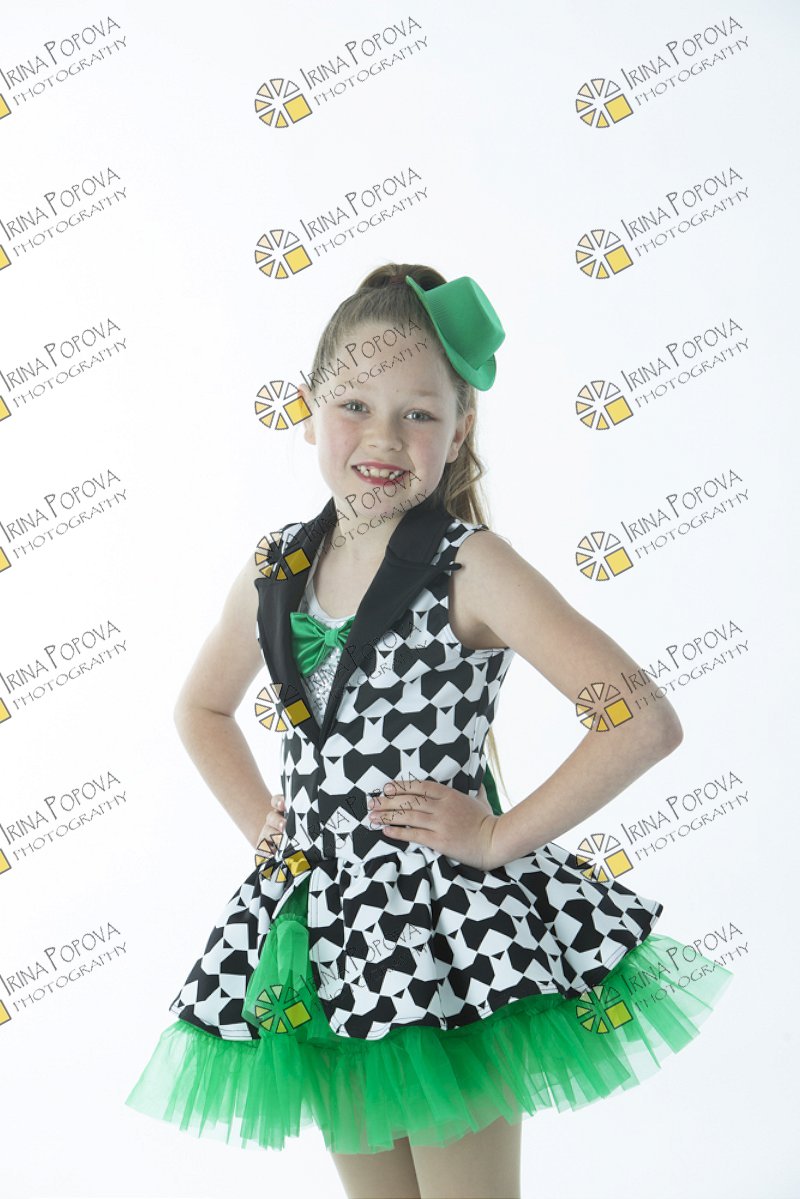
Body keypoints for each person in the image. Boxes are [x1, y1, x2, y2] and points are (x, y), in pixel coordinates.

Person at [124, 263, 734, 1199]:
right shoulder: (274, 568)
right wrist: (264, 823)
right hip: (324, 937)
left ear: (461, 425)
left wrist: (495, 835)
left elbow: (640, 718)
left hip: (449, 934)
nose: (382, 438)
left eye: (417, 413)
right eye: (354, 406)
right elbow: (199, 709)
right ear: (308, 410)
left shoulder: (470, 566)